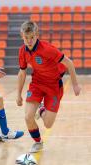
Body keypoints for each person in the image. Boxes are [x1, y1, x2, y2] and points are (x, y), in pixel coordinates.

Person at [16, 21, 81, 153]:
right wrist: (18, 94)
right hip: (37, 84)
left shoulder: (47, 49)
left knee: (48, 124)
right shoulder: (22, 51)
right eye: (26, 38)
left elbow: (69, 63)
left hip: (54, 86)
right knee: (28, 117)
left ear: (37, 35)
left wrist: (75, 84)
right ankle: (38, 142)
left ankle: (41, 109)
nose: (29, 41)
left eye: (31, 37)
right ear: (22, 36)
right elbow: (22, 72)